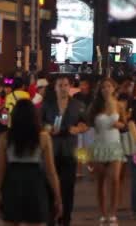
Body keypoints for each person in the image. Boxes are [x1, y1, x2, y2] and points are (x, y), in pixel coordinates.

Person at [0, 99, 63, 225]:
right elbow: (51, 171)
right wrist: (58, 197)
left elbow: (0, 170)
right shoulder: (43, 137)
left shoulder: (5, 137)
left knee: (11, 221)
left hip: (12, 183)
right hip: (35, 183)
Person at [42, 75, 89, 226]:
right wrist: (47, 128)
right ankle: (50, 217)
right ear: (55, 88)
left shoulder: (77, 105)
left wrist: (79, 128)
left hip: (69, 150)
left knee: (68, 188)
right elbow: (40, 122)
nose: (63, 88)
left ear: (70, 87)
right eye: (60, 85)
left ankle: (66, 219)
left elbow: (86, 123)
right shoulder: (47, 105)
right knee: (49, 186)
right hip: (51, 151)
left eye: (65, 85)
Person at [88, 78, 126, 225]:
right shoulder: (95, 106)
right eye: (103, 87)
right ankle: (102, 213)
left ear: (113, 88)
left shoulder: (119, 105)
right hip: (99, 146)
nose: (106, 89)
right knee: (100, 182)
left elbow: (124, 123)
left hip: (114, 145)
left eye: (109, 86)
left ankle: (113, 212)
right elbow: (89, 127)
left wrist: (119, 124)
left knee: (115, 180)